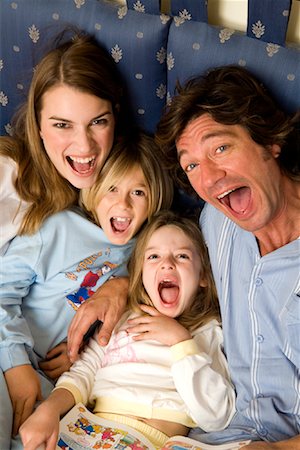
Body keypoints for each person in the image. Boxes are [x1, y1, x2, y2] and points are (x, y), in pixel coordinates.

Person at [155, 65, 300, 448]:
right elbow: (170, 261)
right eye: (192, 165)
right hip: (220, 433)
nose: (210, 178)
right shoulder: (215, 222)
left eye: (221, 148)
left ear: (269, 141)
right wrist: (119, 287)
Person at [0, 30, 132, 448]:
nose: (84, 146)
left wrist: (123, 286)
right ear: (37, 126)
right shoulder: (7, 177)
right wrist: (17, 368)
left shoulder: (126, 208)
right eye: (61, 125)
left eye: (98, 122)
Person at [0, 132, 174, 449]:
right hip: (7, 358)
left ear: (155, 200)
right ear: (92, 190)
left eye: (138, 192)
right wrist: (16, 365)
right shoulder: (54, 228)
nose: (122, 204)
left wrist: (78, 359)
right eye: (112, 189)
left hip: (60, 386)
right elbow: (1, 294)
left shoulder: (150, 254)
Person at [19, 211, 236, 450]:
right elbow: (83, 374)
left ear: (203, 275)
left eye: (182, 256)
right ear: (141, 274)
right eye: (154, 256)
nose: (167, 263)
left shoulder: (206, 331)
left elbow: (218, 415)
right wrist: (50, 409)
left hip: (160, 441)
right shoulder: (122, 319)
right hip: (95, 434)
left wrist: (180, 342)